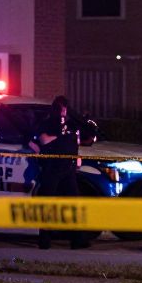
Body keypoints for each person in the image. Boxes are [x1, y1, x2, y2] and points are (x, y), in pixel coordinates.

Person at [30, 96, 89, 250]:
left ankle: (78, 239)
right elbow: (44, 140)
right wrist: (61, 135)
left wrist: (77, 158)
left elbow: (76, 142)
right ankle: (44, 240)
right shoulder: (48, 123)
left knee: (74, 203)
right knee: (48, 203)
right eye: (60, 108)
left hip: (68, 168)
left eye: (65, 108)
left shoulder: (72, 125)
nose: (63, 111)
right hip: (52, 167)